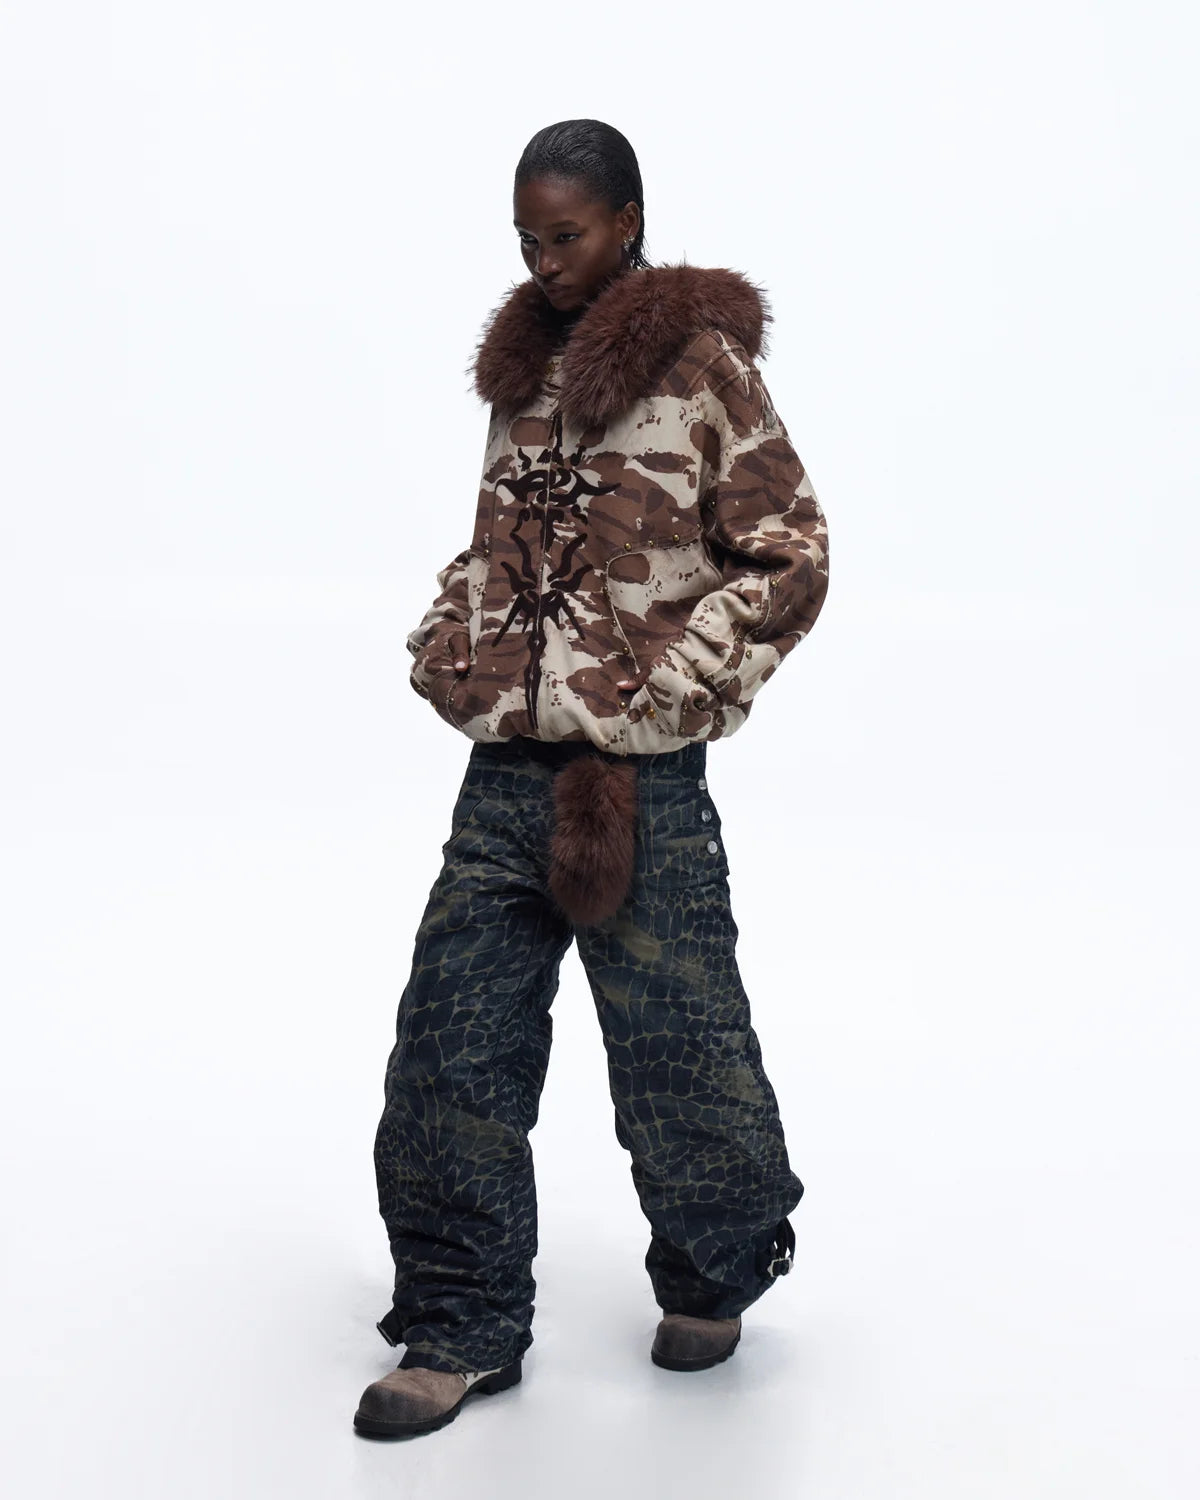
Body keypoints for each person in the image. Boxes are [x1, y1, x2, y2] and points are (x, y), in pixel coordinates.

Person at [354, 118, 830, 1440]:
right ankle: (458, 1323)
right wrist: (452, 638)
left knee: (684, 1059)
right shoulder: (522, 375)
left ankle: (717, 1270)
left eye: (564, 235)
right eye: (526, 239)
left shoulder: (703, 367)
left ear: (627, 221)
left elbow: (791, 550)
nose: (543, 261)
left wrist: (673, 690)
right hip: (507, 773)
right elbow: (497, 547)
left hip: (643, 783)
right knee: (449, 1049)